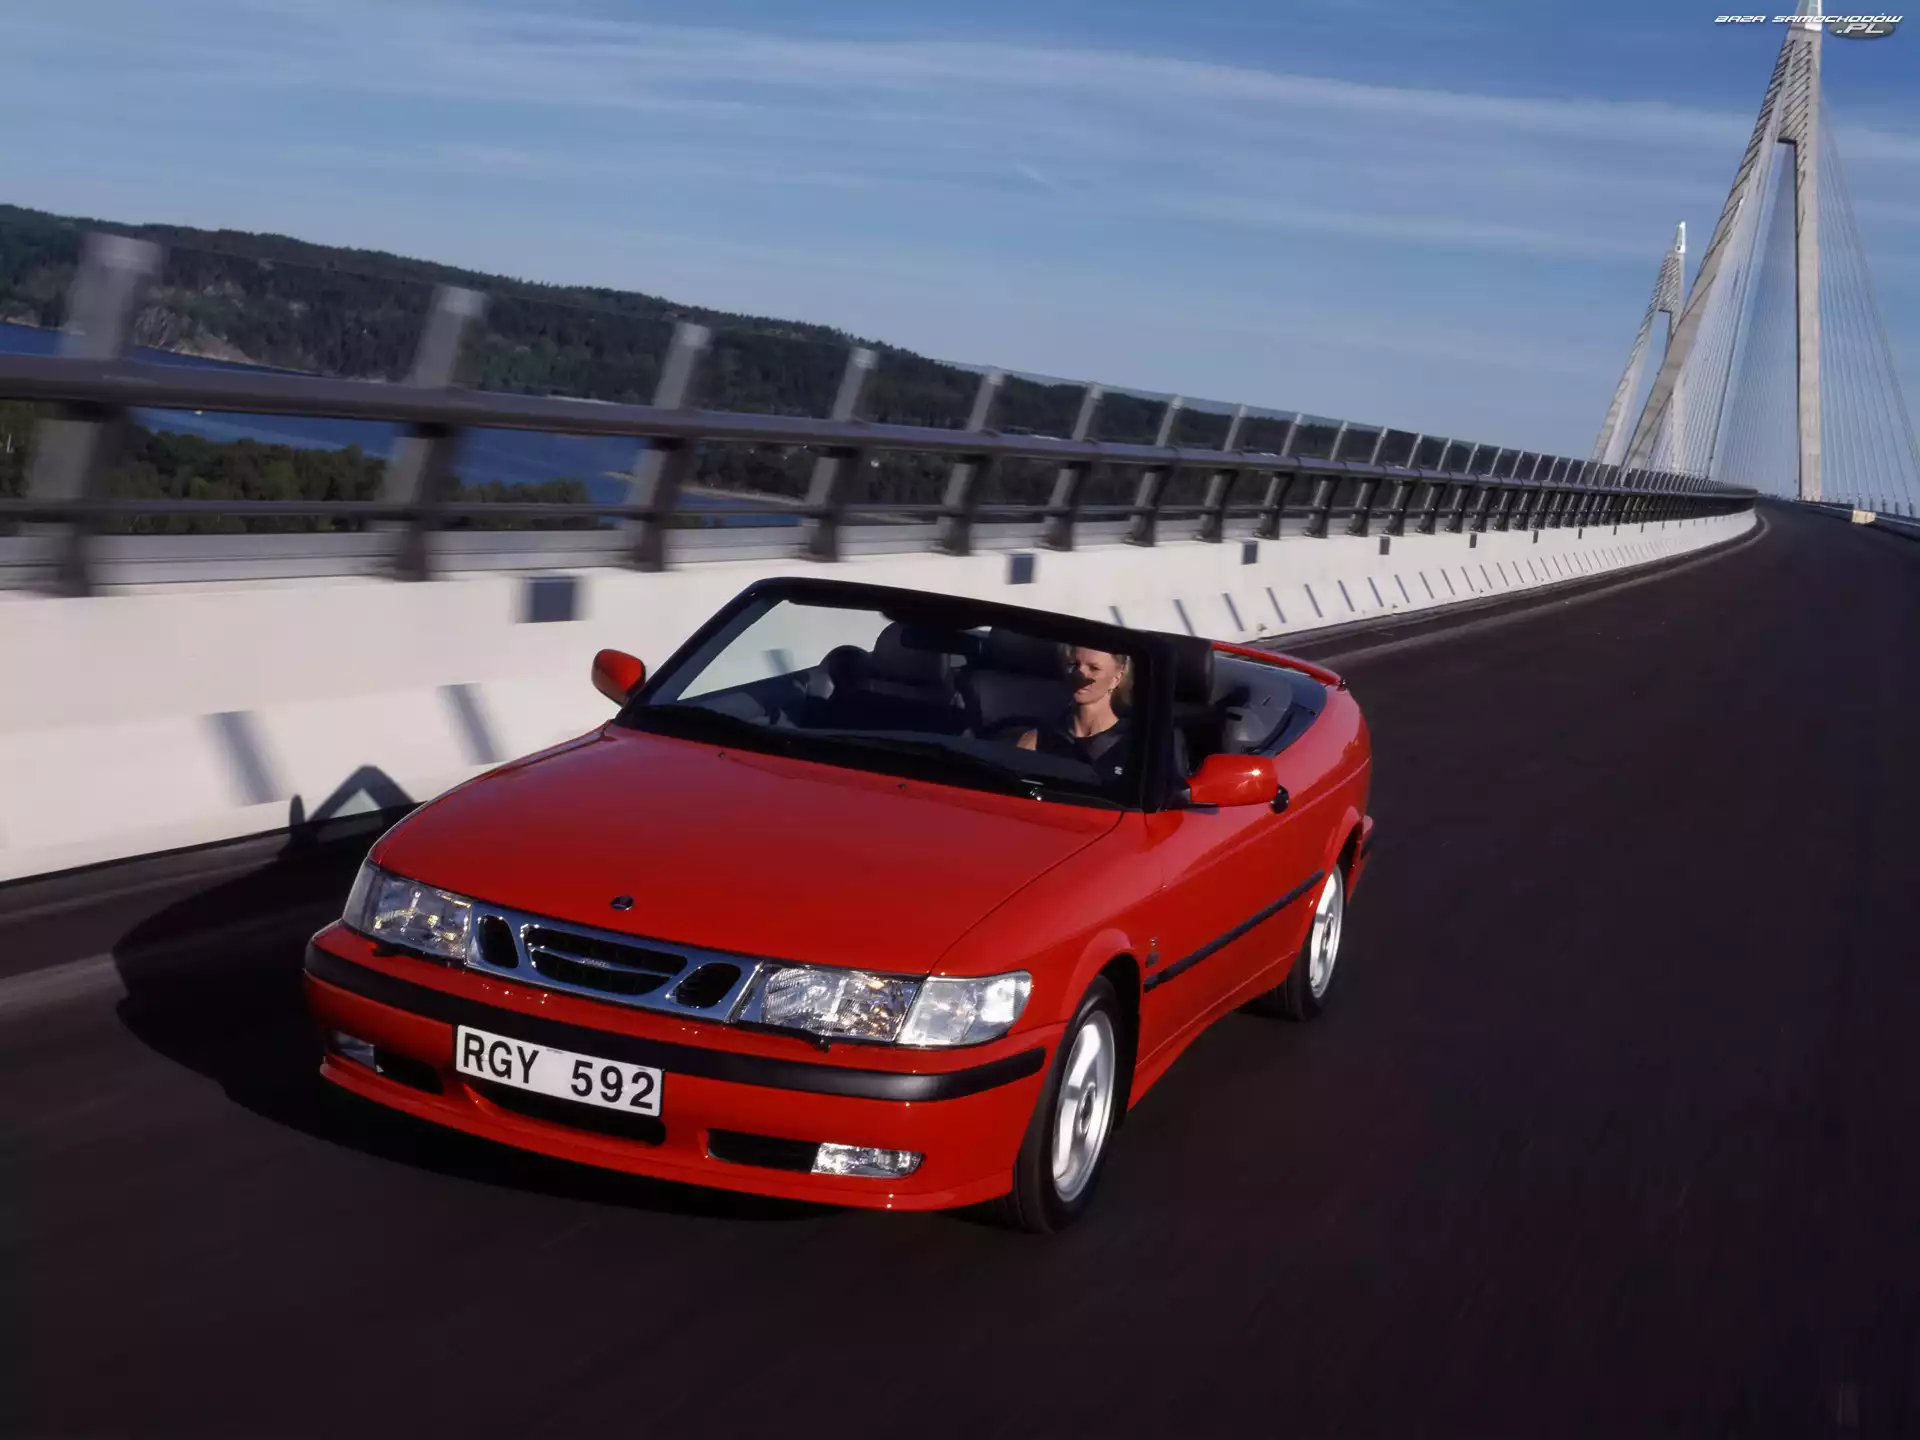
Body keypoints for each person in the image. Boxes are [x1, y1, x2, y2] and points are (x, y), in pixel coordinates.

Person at [1016, 647, 1133, 771]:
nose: (1079, 674)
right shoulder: (1036, 741)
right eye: (1074, 664)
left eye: (1094, 668)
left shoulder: (1131, 746)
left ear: (1116, 679)